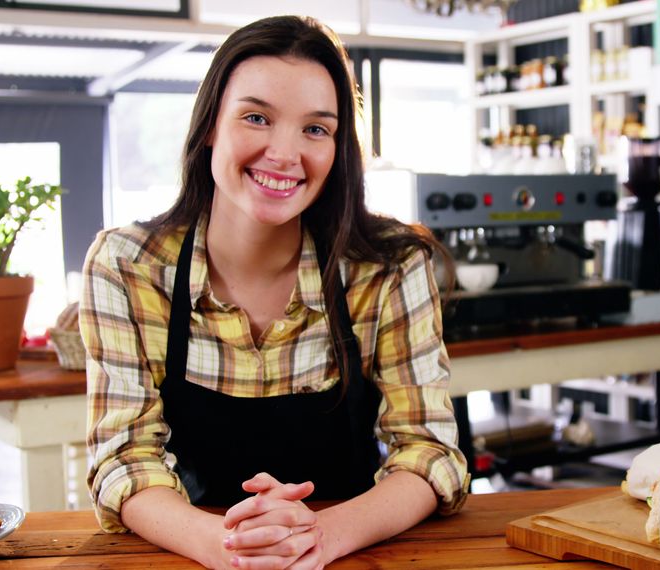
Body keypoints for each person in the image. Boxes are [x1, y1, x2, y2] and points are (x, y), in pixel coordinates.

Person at [81, 15, 468, 570]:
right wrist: (231, 548)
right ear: (211, 123)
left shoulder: (387, 267)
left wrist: (320, 537)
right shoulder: (128, 266)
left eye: (316, 129)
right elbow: (123, 459)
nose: (285, 154)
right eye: (257, 117)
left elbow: (429, 451)